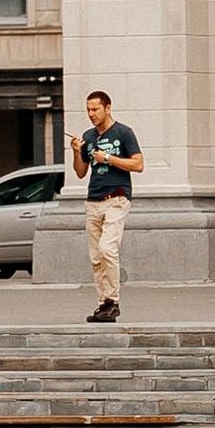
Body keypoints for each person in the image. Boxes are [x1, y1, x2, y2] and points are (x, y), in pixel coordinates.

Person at [69, 89, 143, 324]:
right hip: (93, 200)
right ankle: (103, 304)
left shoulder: (123, 133)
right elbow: (81, 172)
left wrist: (108, 159)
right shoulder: (88, 136)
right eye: (88, 110)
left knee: (107, 248)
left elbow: (138, 164)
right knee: (95, 257)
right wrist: (76, 153)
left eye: (95, 109)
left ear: (108, 108)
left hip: (117, 197)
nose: (91, 114)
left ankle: (113, 301)